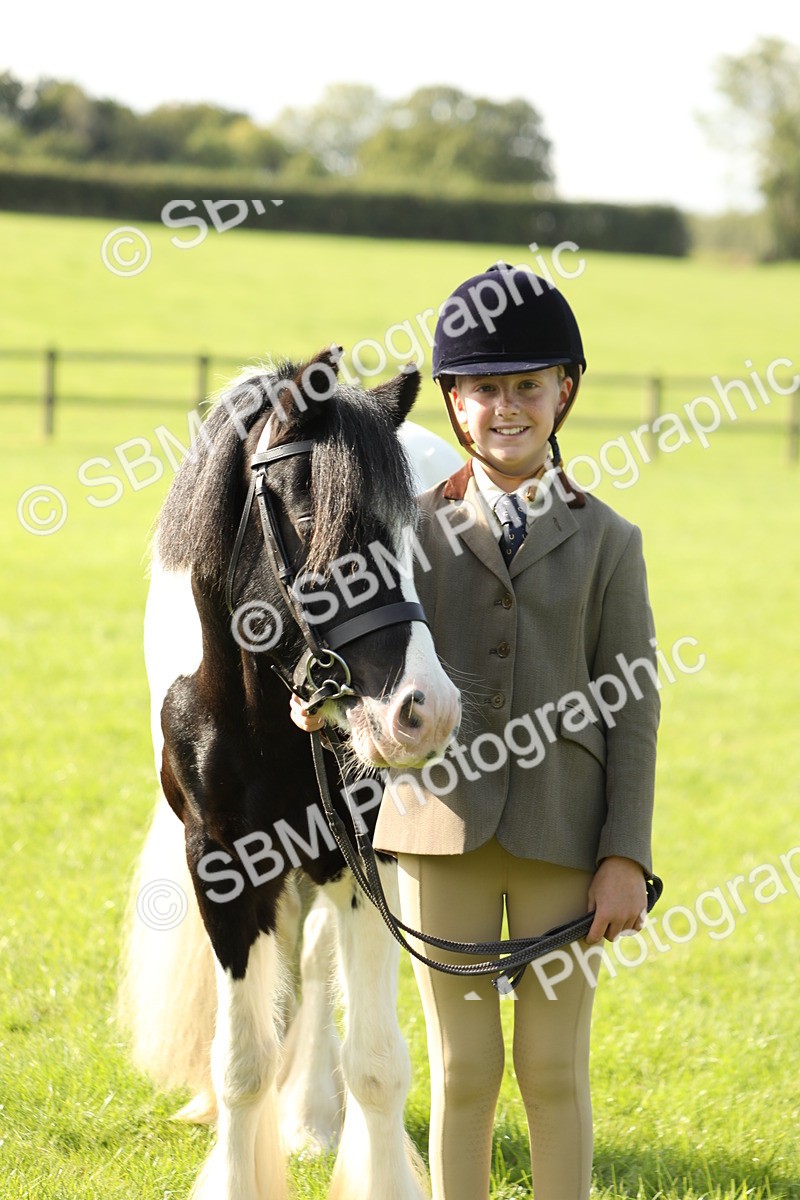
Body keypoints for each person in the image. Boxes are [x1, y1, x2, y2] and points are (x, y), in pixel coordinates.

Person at [291, 263, 659, 1200]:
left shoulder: (611, 539)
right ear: (454, 405)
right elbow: (372, 655)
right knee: (462, 1074)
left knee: (551, 1071)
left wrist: (625, 856)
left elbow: (634, 707)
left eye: (527, 388)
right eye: (484, 389)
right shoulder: (404, 531)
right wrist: (325, 700)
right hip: (436, 832)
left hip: (561, 837)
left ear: (563, 393)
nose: (507, 409)